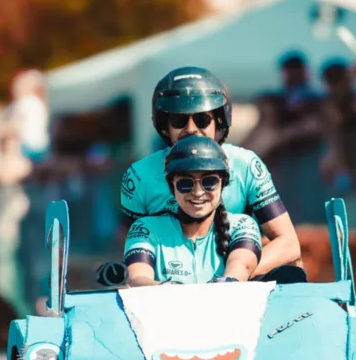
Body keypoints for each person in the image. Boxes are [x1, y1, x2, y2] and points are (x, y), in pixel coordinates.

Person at [120, 66, 301, 278]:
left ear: (219, 122)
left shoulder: (246, 164)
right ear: (164, 127)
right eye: (179, 121)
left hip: (236, 279)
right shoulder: (139, 176)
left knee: (294, 266)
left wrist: (226, 278)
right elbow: (134, 247)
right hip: (169, 290)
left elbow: (288, 244)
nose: (191, 129)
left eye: (202, 120)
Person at [124, 136, 262, 286]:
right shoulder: (145, 229)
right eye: (185, 183)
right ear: (172, 186)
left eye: (209, 181)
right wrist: (167, 290)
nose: (197, 192)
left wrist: (227, 282)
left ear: (223, 183)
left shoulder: (243, 224)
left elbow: (241, 265)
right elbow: (137, 278)